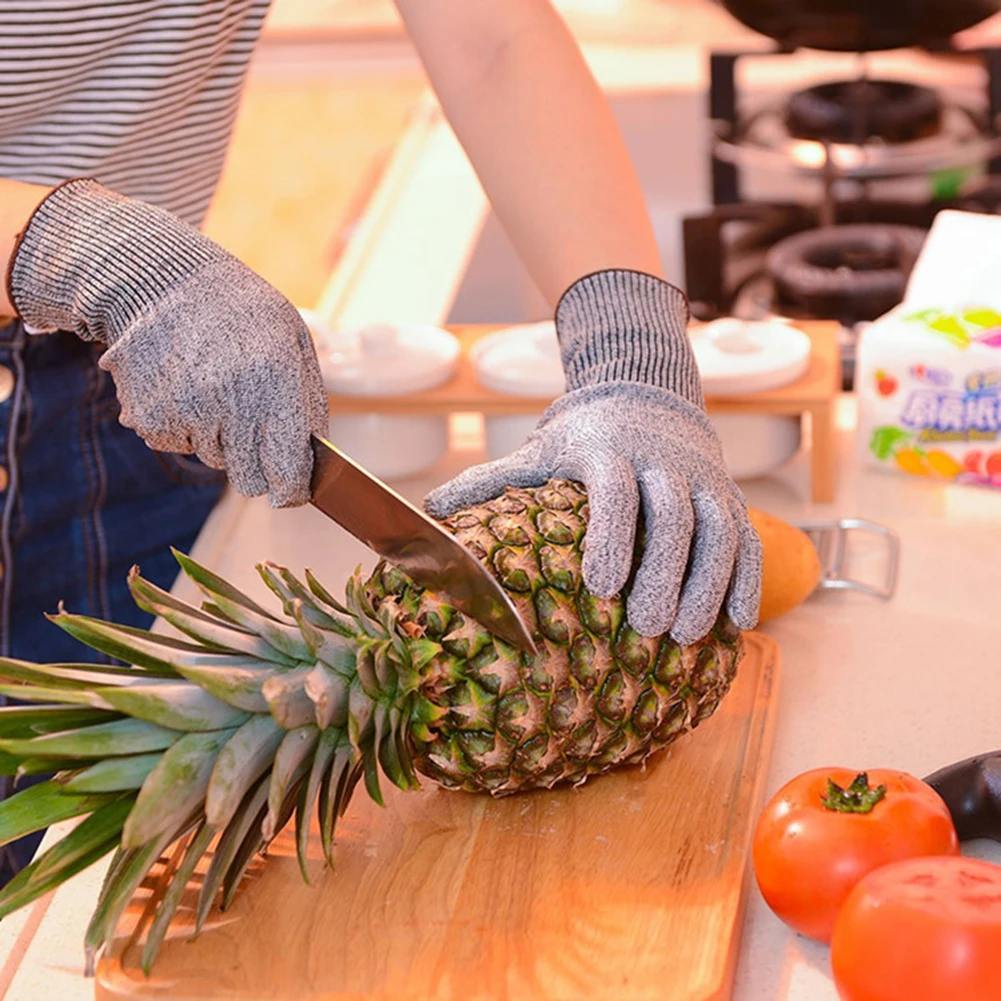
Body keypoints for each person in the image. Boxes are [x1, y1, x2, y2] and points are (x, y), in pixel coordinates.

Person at [0, 0, 761, 880]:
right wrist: (75, 246)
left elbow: (491, 37)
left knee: (80, 878)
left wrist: (629, 347)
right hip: (127, 290)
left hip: (131, 384)